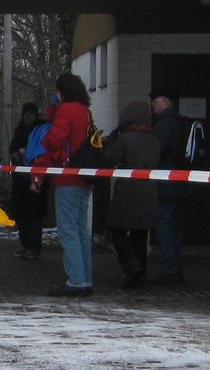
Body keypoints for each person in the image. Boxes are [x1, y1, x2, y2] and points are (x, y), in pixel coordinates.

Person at [42, 72, 95, 297]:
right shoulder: (86, 111)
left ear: (62, 91)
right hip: (84, 178)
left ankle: (76, 280)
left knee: (67, 231)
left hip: (67, 177)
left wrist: (53, 112)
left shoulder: (66, 110)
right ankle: (85, 277)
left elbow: (54, 139)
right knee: (81, 230)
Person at [101, 101, 160, 290]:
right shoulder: (154, 140)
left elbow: (110, 159)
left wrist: (109, 142)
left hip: (127, 192)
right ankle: (140, 275)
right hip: (149, 192)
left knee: (116, 229)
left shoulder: (125, 139)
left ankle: (130, 265)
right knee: (140, 235)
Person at [150, 88, 191, 284]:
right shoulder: (183, 123)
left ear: (165, 103)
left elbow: (156, 150)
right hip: (183, 183)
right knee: (175, 228)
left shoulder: (164, 124)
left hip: (167, 183)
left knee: (165, 226)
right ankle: (176, 267)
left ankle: (169, 268)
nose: (153, 105)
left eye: (156, 101)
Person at [9, 102, 48, 260]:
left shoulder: (41, 130)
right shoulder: (19, 131)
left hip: (36, 178)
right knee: (22, 213)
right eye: (26, 113)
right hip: (20, 178)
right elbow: (12, 149)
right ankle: (25, 244)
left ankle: (34, 247)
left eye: (31, 113)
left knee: (34, 215)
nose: (28, 116)